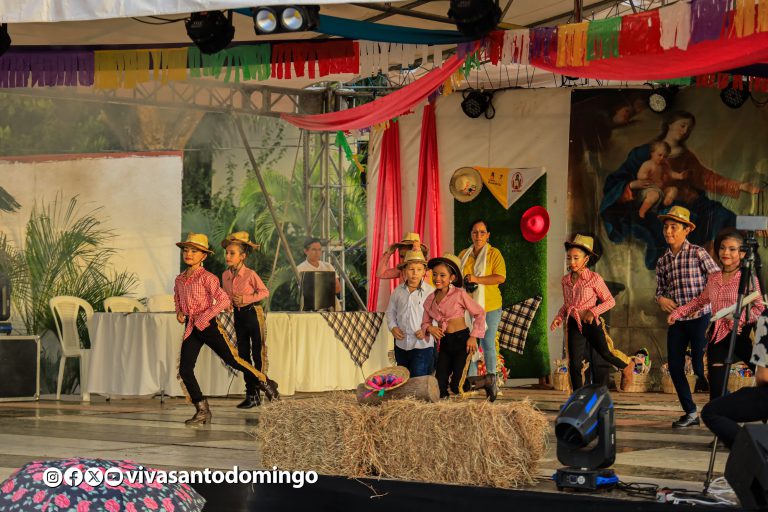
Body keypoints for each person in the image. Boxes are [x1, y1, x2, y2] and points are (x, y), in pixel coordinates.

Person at [600, 110, 760, 269]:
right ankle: (709, 269)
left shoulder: (686, 156)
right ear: (669, 124)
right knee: (689, 224)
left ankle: (761, 225)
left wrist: (740, 186)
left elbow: (707, 178)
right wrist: (631, 185)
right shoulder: (645, 152)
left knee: (724, 215)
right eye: (682, 125)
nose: (685, 131)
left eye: (689, 128)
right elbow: (620, 177)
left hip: (695, 203)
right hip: (666, 207)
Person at [173, 233, 278, 426]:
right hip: (192, 327)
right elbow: (177, 298)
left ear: (204, 256)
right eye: (186, 250)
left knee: (233, 360)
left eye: (194, 251)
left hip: (208, 326)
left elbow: (222, 300)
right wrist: (179, 311)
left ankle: (264, 381)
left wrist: (205, 316)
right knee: (185, 369)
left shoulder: (208, 278)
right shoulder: (180, 279)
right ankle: (202, 409)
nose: (188, 254)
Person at [668, 228, 765, 400]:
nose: (725, 252)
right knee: (716, 389)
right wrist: (678, 312)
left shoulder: (748, 278)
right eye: (722, 248)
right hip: (718, 336)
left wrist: (741, 319)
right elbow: (701, 300)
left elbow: (760, 309)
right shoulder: (713, 277)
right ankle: (723, 414)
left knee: (764, 378)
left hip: (743, 335)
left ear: (743, 253)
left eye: (732, 249)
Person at [655, 206, 720, 428]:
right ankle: (691, 413)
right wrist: (661, 299)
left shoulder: (697, 253)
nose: (668, 231)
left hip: (701, 317)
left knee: (702, 368)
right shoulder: (663, 261)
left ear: (687, 230)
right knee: (675, 367)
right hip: (678, 321)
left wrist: (700, 303)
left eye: (674, 227)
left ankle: (723, 407)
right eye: (666, 227)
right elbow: (660, 289)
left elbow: (716, 280)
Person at [550, 234, 634, 391]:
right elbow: (567, 304)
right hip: (573, 323)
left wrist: (593, 311)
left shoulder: (594, 279)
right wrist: (559, 317)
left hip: (590, 323)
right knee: (574, 363)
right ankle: (577, 396)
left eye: (576, 258)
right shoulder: (565, 280)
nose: (572, 262)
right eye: (569, 258)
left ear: (586, 259)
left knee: (605, 352)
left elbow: (610, 301)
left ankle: (626, 365)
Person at [419, 253, 489, 400]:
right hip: (445, 342)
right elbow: (425, 323)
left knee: (457, 386)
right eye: (435, 274)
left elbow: (479, 313)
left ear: (452, 278)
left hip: (462, 341)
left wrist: (473, 337)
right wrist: (430, 328)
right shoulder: (430, 300)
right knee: (440, 385)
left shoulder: (459, 294)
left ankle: (487, 381)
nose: (437, 278)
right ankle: (444, 409)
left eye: (442, 275)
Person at [701, 311, 768, 449]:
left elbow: (764, 376)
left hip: (738, 334)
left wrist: (739, 320)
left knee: (711, 412)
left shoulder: (766, 317)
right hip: (720, 338)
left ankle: (753, 451)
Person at [221, 231, 271, 409]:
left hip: (253, 314)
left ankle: (265, 388)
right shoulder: (225, 275)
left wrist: (245, 298)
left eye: (232, 253)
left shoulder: (250, 274)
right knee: (242, 356)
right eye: (227, 253)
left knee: (258, 354)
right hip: (238, 316)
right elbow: (226, 295)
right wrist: (227, 303)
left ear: (242, 256)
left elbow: (264, 292)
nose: (227, 256)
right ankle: (251, 394)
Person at [458, 219, 506, 385]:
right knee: (470, 343)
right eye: (475, 232)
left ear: (488, 235)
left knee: (487, 343)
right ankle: (471, 381)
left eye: (482, 232)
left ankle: (492, 380)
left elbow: (500, 277)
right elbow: (457, 278)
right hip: (468, 307)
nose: (478, 235)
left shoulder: (494, 253)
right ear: (471, 235)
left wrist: (476, 279)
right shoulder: (463, 255)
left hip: (490, 306)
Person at [385, 250, 436, 377]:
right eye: (411, 269)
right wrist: (393, 327)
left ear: (424, 271)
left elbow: (437, 316)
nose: (415, 273)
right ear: (404, 271)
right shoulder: (398, 291)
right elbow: (390, 312)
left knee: (418, 379)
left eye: (419, 269)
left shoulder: (431, 292)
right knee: (402, 378)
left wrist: (427, 330)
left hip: (422, 345)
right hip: (401, 344)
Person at [636, 140, 687, 219]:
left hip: (661, 190)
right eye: (659, 155)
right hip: (649, 189)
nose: (662, 158)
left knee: (673, 190)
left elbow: (671, 173)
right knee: (654, 195)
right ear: (652, 153)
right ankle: (641, 212)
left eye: (665, 156)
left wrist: (679, 176)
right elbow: (639, 176)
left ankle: (664, 205)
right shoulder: (648, 164)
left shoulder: (664, 165)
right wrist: (644, 176)